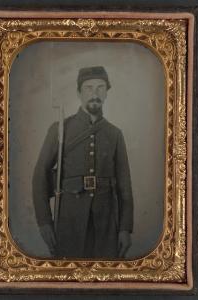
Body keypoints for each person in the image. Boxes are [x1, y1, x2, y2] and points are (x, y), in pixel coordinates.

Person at [32, 66, 133, 258]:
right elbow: (39, 176)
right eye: (88, 88)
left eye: (100, 88)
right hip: (69, 222)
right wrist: (44, 222)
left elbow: (124, 186)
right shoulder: (60, 129)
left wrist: (125, 228)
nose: (94, 94)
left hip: (106, 224)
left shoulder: (114, 134)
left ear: (107, 92)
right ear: (79, 92)